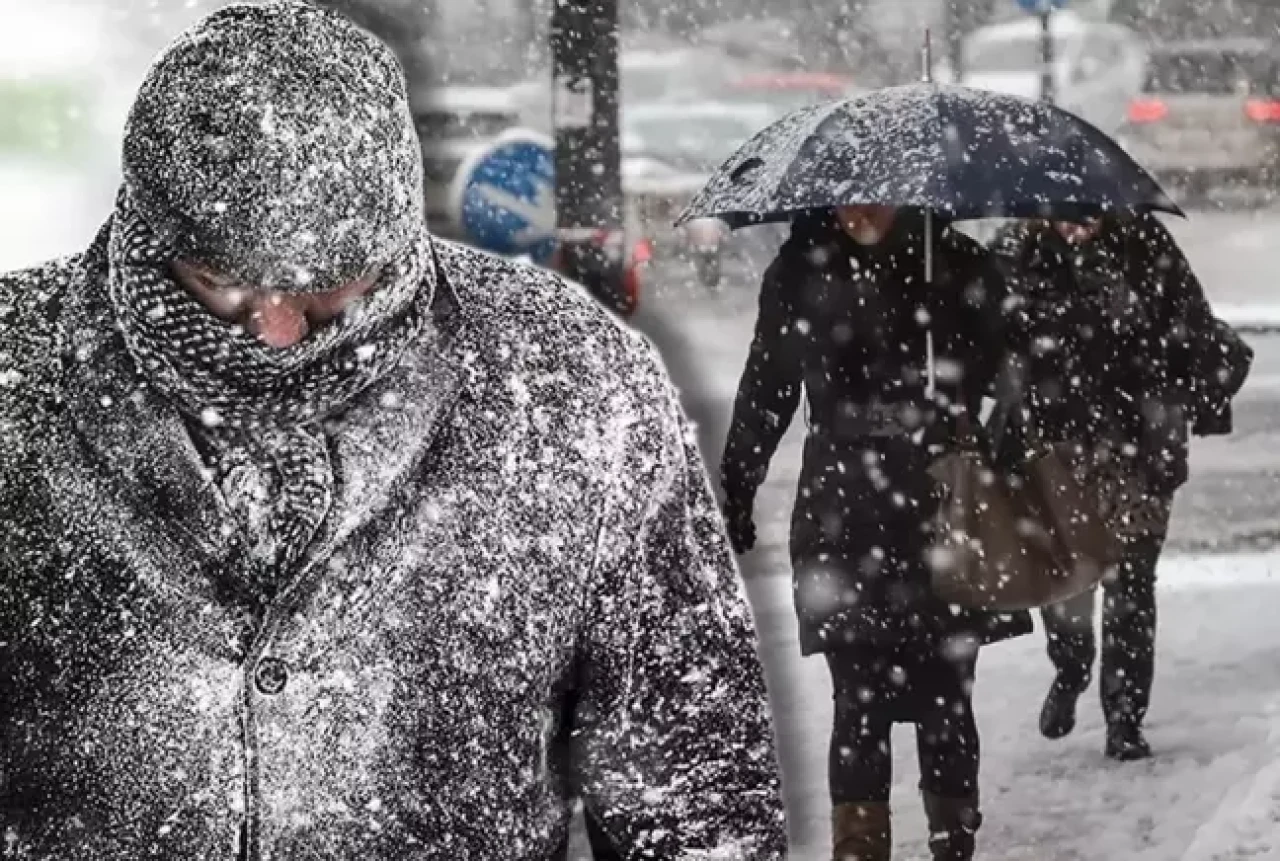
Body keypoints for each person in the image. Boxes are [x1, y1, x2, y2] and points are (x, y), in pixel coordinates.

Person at [0, 4, 787, 859]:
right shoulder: (15, 382)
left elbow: (694, 784)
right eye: (221, 280)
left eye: (330, 285)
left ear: (396, 235)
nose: (279, 332)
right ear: (147, 231)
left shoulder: (573, 379)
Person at [721, 205, 1032, 861]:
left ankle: (952, 837)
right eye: (846, 195)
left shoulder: (956, 263)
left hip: (942, 506)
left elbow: (1013, 373)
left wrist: (958, 388)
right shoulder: (800, 270)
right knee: (857, 699)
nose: (860, 207)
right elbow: (769, 384)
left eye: (875, 194)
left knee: (947, 694)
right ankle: (859, 847)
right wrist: (739, 481)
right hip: (843, 513)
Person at [989, 213, 1252, 761]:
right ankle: (1071, 667)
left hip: (1136, 447)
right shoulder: (1015, 250)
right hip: (1053, 447)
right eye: (1062, 213)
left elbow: (1192, 325)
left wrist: (1138, 319)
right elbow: (985, 344)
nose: (1075, 225)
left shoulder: (1144, 241)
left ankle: (1125, 716)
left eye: (1087, 214)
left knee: (1131, 585)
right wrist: (1038, 320)